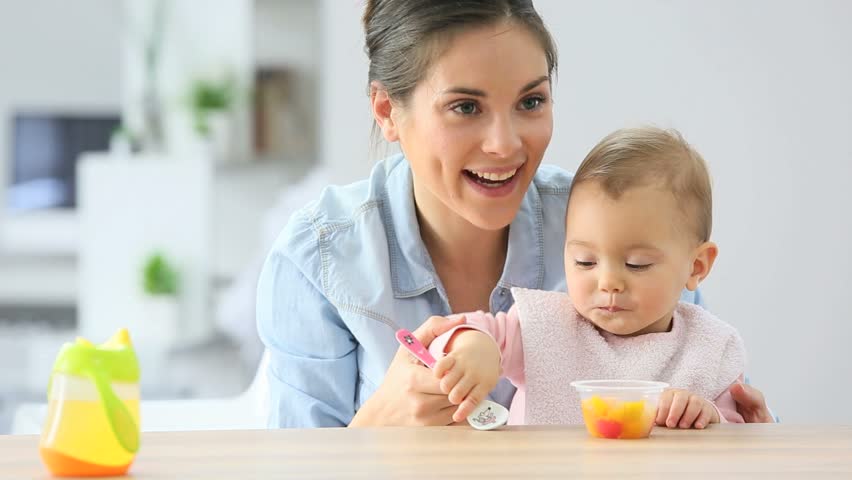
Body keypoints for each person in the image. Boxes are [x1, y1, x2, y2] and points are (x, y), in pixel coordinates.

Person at [256, 0, 775, 428]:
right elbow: (295, 464)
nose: (505, 146)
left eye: (530, 102)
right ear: (388, 111)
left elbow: (698, 392)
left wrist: (735, 435)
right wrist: (379, 425)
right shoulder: (320, 258)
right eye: (465, 107)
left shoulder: (618, 224)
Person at [429, 126, 747, 428]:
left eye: (637, 264)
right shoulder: (543, 326)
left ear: (696, 266)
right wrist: (473, 347)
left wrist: (709, 417)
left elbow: (740, 440)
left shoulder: (710, 348)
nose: (608, 282)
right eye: (585, 261)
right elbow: (454, 333)